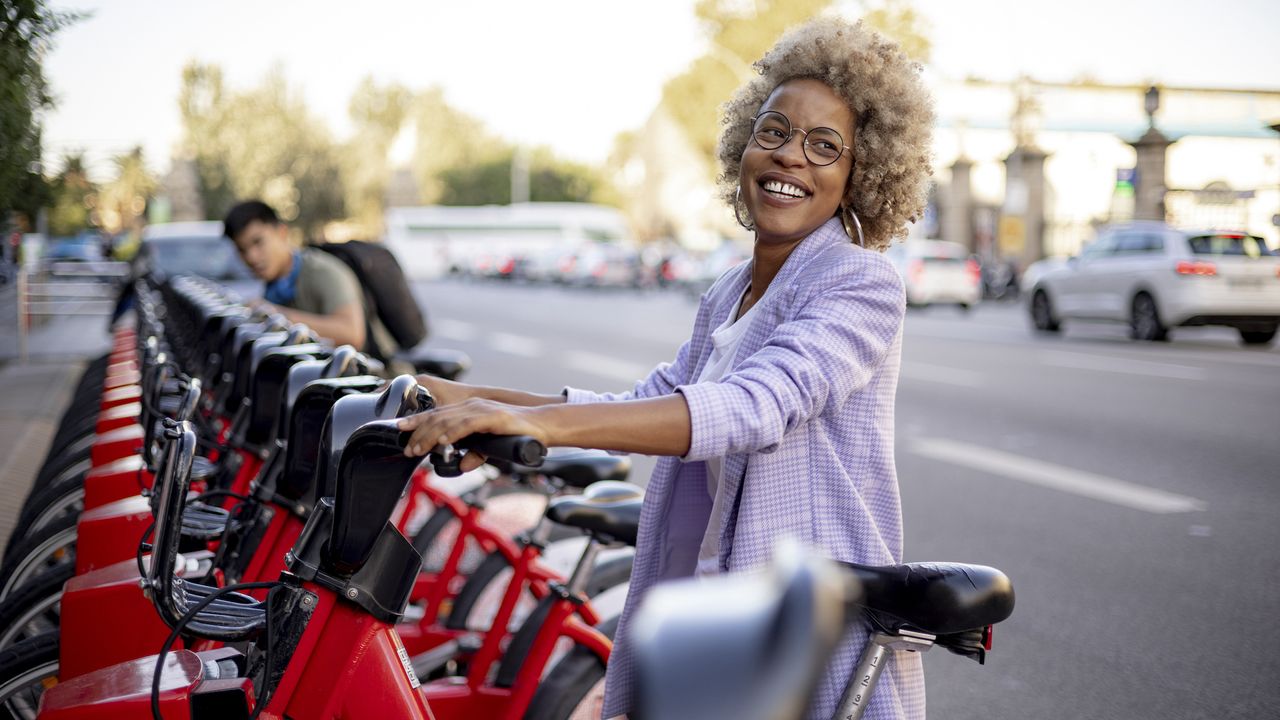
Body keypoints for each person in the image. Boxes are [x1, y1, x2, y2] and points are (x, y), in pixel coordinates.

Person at [398, 18, 933, 720]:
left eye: (824, 145)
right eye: (773, 130)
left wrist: (535, 424)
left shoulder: (860, 282)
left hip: (804, 624)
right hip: (714, 602)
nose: (791, 156)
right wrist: (470, 399)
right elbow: (653, 401)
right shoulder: (729, 291)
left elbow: (753, 408)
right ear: (746, 143)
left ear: (859, 174)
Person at [222, 200, 367, 350]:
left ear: (282, 233)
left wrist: (276, 315)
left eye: (258, 242)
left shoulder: (323, 272)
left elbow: (352, 335)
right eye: (242, 250)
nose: (251, 257)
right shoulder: (274, 286)